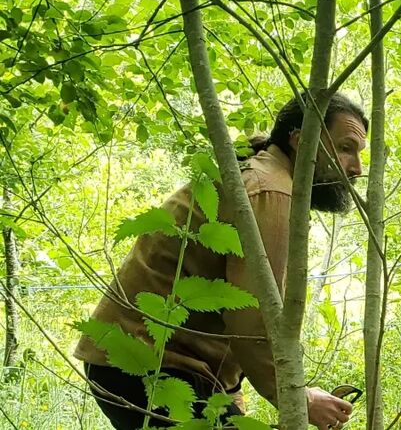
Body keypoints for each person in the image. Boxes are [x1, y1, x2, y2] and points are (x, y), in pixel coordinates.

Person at [75, 92, 366, 429]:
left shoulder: (257, 174)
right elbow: (254, 315)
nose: (356, 168)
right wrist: (298, 398)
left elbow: (231, 313)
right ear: (301, 142)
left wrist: (230, 394)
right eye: (346, 149)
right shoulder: (270, 189)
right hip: (148, 364)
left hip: (154, 364)